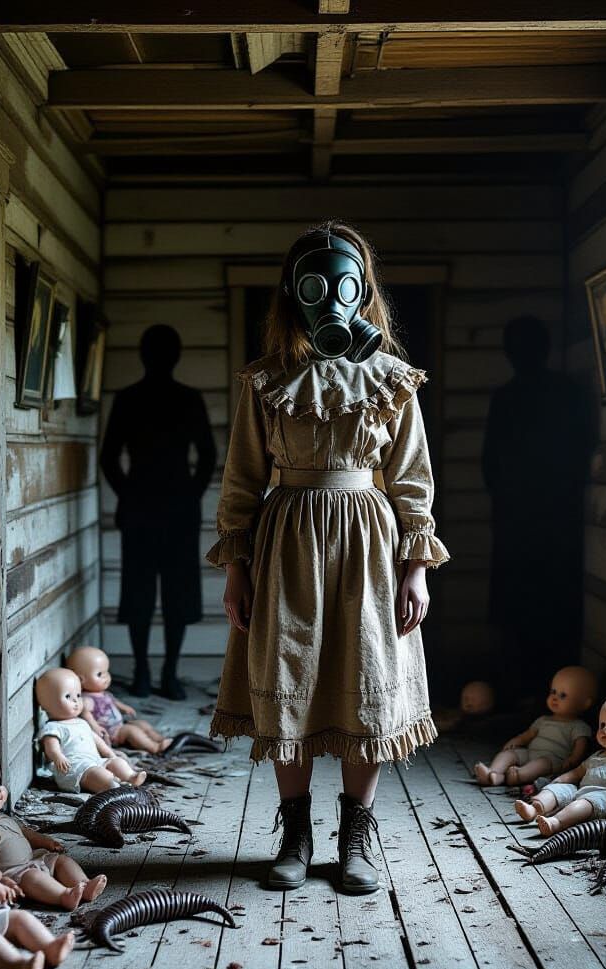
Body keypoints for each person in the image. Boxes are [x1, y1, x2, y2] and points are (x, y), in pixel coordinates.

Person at [207, 222, 449, 896]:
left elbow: (412, 480)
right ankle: (295, 831)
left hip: (369, 544)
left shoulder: (393, 380)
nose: (330, 298)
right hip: (286, 540)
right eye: (315, 284)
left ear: (361, 289)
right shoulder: (266, 382)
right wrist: (238, 566)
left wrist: (417, 568)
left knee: (364, 675)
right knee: (292, 673)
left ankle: (355, 837)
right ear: (295, 291)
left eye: (344, 283)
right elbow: (241, 481)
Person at [101, 325, 217, 699]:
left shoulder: (134, 398)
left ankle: (154, 674)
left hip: (153, 508)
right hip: (167, 508)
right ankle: (158, 674)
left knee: (157, 590)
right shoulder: (178, 398)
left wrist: (130, 494)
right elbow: (208, 456)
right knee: (158, 591)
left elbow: (109, 459)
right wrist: (189, 493)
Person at [481, 316, 591, 708]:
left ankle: (535, 693)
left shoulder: (512, 398)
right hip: (547, 518)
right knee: (539, 607)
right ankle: (533, 692)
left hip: (531, 518)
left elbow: (489, 465)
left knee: (530, 608)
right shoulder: (565, 393)